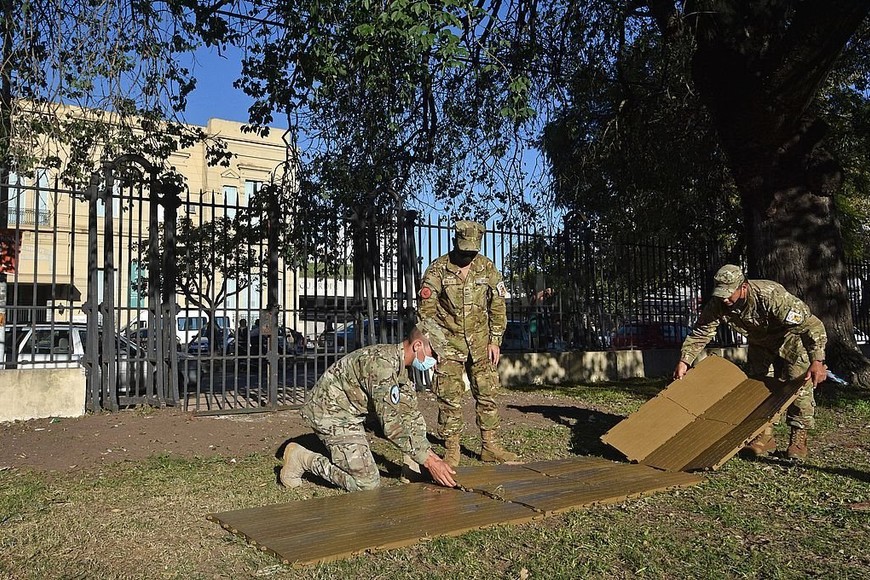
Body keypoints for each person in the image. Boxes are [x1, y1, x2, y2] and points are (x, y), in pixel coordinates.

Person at [673, 264, 827, 460]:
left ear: (743, 287)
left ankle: (798, 439)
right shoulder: (719, 303)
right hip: (760, 343)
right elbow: (702, 331)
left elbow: (811, 325)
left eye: (730, 293)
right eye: (721, 294)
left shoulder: (771, 295)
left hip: (791, 339)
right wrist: (684, 361)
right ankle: (763, 435)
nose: (725, 299)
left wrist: (817, 360)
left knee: (798, 386)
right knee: (758, 387)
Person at [279, 320, 457, 491]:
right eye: (433, 354)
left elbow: (410, 415)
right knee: (366, 483)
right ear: (417, 346)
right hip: (331, 413)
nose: (436, 360)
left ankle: (413, 468)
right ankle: (302, 458)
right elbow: (391, 426)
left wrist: (427, 455)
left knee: (412, 421)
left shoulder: (402, 368)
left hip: (351, 413)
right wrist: (430, 462)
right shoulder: (383, 367)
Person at [418, 220, 518, 467]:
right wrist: (436, 345)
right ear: (454, 243)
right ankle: (452, 449)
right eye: (463, 250)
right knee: (449, 398)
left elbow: (497, 306)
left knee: (487, 394)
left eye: (472, 251)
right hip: (448, 345)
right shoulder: (438, 270)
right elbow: (425, 313)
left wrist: (495, 340)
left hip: (481, 345)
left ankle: (490, 446)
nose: (467, 256)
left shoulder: (487, 268)